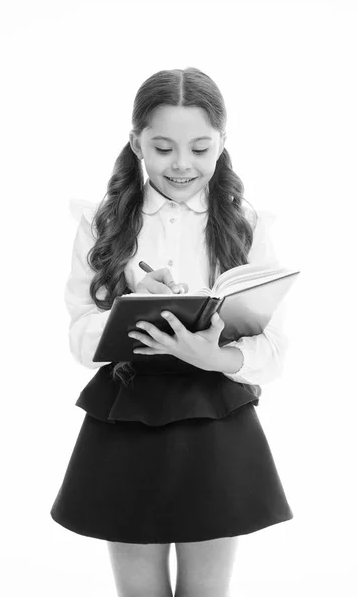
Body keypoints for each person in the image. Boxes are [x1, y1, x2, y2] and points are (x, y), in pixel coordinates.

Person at [50, 67, 294, 597]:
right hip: (127, 415)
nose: (182, 165)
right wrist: (130, 310)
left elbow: (274, 351)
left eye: (200, 148)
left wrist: (216, 357)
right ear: (136, 141)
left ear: (222, 144)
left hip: (217, 417)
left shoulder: (247, 224)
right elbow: (78, 339)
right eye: (162, 148)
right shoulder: (103, 222)